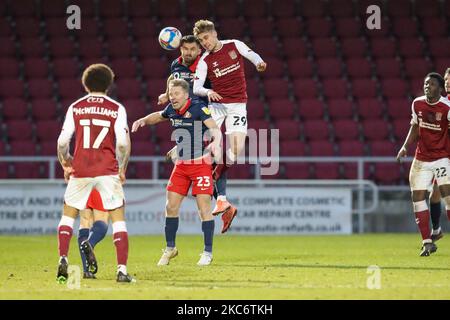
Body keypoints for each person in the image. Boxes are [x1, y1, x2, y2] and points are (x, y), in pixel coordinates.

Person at [56, 63, 134, 283]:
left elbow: (62, 142)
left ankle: (63, 258)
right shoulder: (116, 108)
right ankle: (121, 271)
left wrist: (66, 162)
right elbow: (122, 144)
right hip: (107, 170)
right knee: (118, 220)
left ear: (85, 84)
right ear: (109, 84)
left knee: (68, 217)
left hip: (80, 170)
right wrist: (121, 167)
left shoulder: (76, 107)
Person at [132, 79, 221, 266]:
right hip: (180, 166)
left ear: (186, 95)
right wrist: (142, 120)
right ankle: (170, 249)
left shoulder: (198, 108)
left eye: (176, 94)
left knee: (203, 209)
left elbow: (214, 128)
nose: (172, 98)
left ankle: (207, 252)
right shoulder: (171, 109)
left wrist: (215, 141)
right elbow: (158, 116)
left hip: (200, 165)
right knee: (170, 207)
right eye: (171, 94)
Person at [193, 19, 267, 233]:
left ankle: (217, 180)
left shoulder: (234, 45)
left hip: (237, 106)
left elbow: (252, 55)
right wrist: (208, 92)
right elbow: (197, 87)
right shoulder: (205, 61)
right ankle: (221, 199)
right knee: (209, 150)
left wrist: (259, 62)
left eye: (205, 38)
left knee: (235, 148)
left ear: (214, 34)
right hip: (216, 107)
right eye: (201, 40)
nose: (204, 43)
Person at [396, 72, 450, 256]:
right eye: (426, 83)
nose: (428, 86)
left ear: (440, 89)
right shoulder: (417, 103)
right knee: (417, 197)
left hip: (442, 157)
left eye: (432, 84)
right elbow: (415, 126)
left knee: (447, 195)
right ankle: (427, 242)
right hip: (421, 158)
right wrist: (404, 147)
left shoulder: (446, 107)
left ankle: (436, 231)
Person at [426, 67, 450, 242]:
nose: (448, 82)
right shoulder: (442, 101)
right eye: (447, 79)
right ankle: (436, 230)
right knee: (435, 193)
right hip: (443, 155)